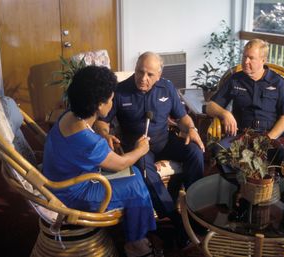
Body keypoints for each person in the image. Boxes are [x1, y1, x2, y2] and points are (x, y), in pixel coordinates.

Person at [42, 66, 158, 257]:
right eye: (111, 99)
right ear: (98, 105)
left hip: (61, 178)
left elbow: (87, 144)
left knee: (135, 176)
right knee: (136, 189)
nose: (113, 103)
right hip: (71, 193)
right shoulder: (89, 141)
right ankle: (136, 244)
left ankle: (135, 233)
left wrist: (103, 136)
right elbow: (121, 163)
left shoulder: (69, 115)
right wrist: (141, 149)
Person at [95, 51, 205, 247]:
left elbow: (182, 117)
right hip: (138, 146)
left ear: (159, 75)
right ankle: (173, 218)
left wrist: (192, 129)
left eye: (149, 75)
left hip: (165, 140)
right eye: (139, 72)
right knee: (145, 170)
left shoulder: (167, 87)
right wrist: (105, 134)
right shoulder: (120, 91)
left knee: (195, 152)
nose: (143, 78)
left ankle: (194, 209)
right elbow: (102, 121)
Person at [205, 38, 284, 180]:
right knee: (219, 150)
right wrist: (225, 113)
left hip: (269, 136)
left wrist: (267, 140)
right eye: (244, 56)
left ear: (263, 60)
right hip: (241, 136)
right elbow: (210, 106)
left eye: (251, 58)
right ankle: (239, 186)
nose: (245, 61)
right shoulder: (236, 79)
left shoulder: (277, 82)